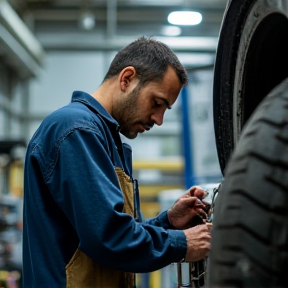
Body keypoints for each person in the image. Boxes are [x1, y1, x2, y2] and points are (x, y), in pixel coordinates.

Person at [22, 36, 212, 288]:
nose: (159, 120)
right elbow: (110, 238)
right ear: (127, 79)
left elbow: (120, 231)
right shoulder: (77, 131)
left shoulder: (105, 138)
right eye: (157, 103)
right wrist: (183, 243)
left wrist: (168, 221)